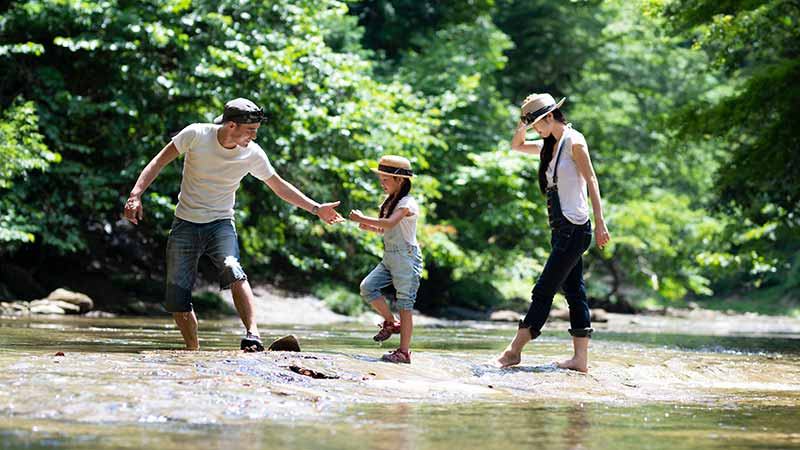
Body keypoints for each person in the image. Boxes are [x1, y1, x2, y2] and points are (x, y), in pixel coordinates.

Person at [123, 98, 344, 351]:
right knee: (176, 296)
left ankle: (253, 336)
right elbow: (159, 161)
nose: (254, 136)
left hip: (220, 223)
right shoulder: (196, 134)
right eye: (250, 130)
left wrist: (316, 208)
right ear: (231, 125)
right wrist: (135, 194)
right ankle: (192, 351)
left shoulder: (252, 153)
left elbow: (279, 186)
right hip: (185, 222)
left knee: (232, 267)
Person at [495, 93, 610, 373]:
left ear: (550, 117)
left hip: (575, 228)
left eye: (537, 124)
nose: (536, 130)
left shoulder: (575, 142)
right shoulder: (550, 144)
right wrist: (523, 122)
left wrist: (601, 222)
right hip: (561, 230)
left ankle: (513, 352)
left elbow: (592, 179)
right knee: (575, 292)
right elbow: (517, 145)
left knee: (544, 288)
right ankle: (580, 360)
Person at [349, 155, 423, 364]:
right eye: (381, 179)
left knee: (405, 304)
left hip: (406, 259)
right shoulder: (390, 202)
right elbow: (385, 229)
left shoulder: (407, 203)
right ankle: (391, 322)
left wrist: (362, 218)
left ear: (400, 181)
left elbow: (390, 224)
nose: (382, 183)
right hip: (390, 257)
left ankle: (404, 352)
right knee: (367, 287)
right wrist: (369, 227)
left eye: (386, 179)